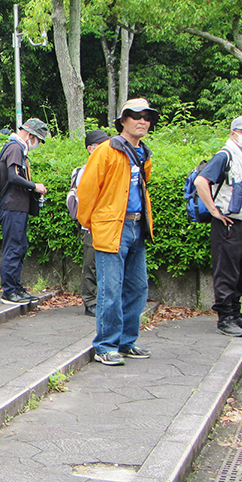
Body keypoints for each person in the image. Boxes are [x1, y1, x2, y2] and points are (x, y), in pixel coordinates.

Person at [77, 98, 157, 365]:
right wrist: (90, 222)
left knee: (137, 288)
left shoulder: (143, 151)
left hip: (137, 226)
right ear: (123, 120)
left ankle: (126, 341)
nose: (142, 120)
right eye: (135, 115)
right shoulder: (107, 150)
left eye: (147, 116)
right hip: (112, 227)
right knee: (110, 289)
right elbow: (87, 189)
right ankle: (104, 345)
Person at [193, 116, 242, 337]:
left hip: (238, 221)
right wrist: (214, 211)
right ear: (235, 134)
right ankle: (225, 317)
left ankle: (235, 313)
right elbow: (201, 181)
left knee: (238, 271)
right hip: (228, 222)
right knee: (227, 270)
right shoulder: (226, 155)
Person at [0, 117, 49, 305]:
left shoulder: (18, 149)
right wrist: (34, 186)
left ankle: (16, 287)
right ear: (29, 134)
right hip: (12, 207)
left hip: (18, 207)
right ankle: (9, 291)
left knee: (19, 247)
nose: (37, 144)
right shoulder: (15, 148)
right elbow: (13, 177)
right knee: (13, 247)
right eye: (37, 139)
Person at [66, 129, 110, 316]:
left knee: (104, 264)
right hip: (91, 225)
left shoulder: (107, 167)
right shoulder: (84, 171)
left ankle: (99, 301)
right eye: (101, 146)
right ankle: (90, 302)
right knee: (91, 265)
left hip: (106, 224)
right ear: (91, 149)